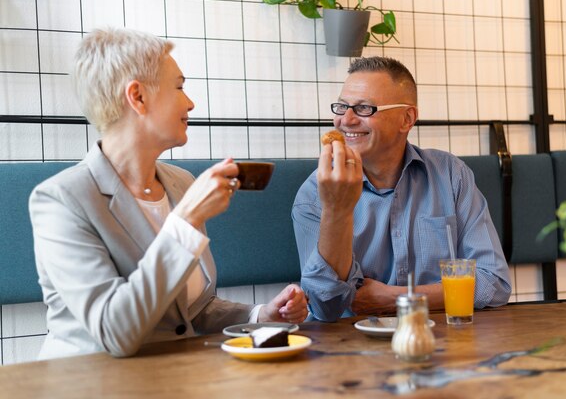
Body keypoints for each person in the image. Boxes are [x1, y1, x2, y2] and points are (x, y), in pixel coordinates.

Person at [29, 28, 308, 360]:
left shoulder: (180, 182)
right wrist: (186, 220)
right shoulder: (61, 200)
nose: (189, 102)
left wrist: (260, 316)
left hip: (176, 379)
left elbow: (187, 311)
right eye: (179, 86)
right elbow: (115, 331)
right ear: (138, 97)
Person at [292, 56, 511, 322]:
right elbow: (326, 307)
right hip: (350, 346)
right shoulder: (315, 193)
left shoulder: (451, 175)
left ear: (406, 119)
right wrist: (336, 209)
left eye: (364, 108)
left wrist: (396, 297)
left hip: (441, 341)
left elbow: (494, 282)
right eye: (341, 107)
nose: (345, 120)